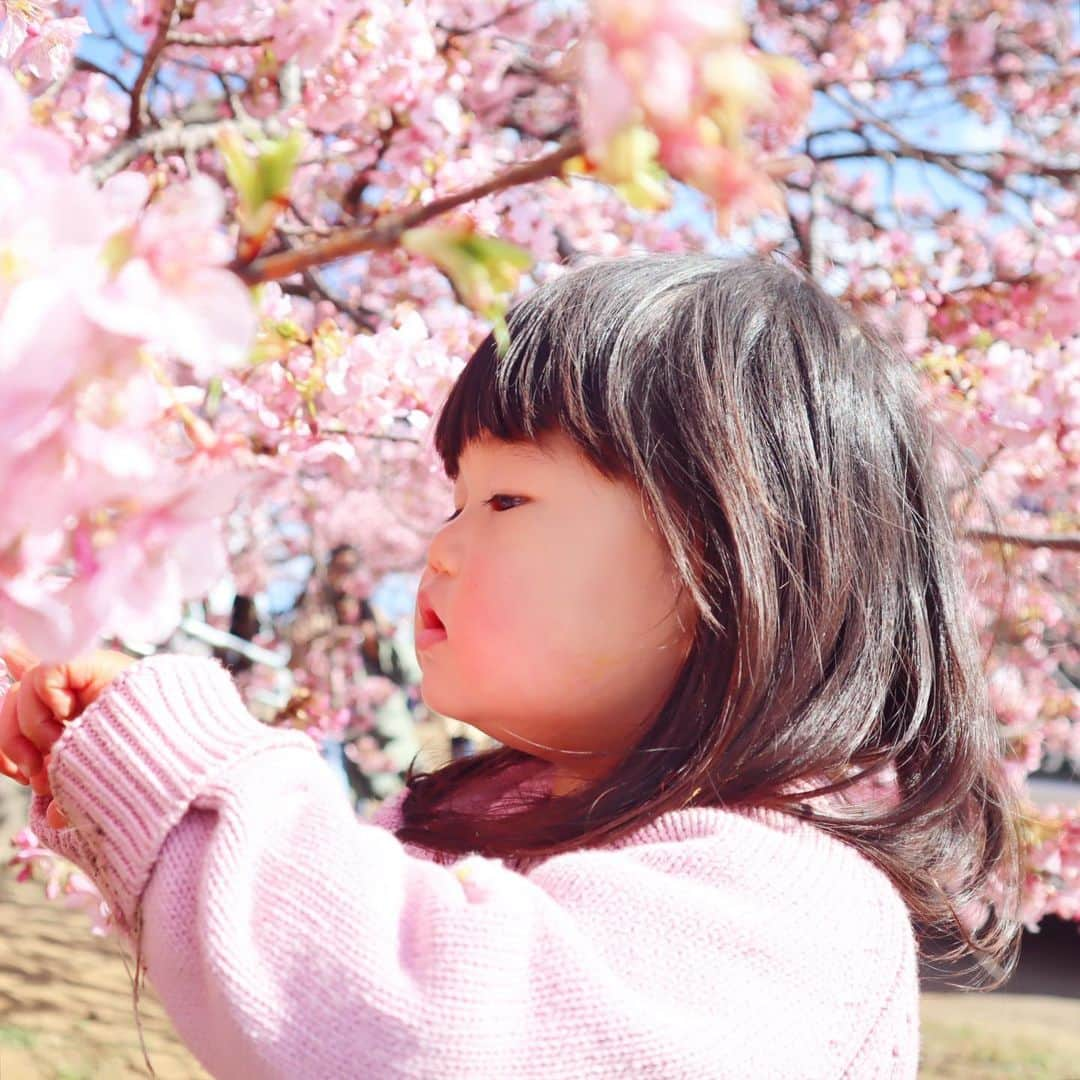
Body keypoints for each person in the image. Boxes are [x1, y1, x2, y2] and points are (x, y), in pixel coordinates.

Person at [0, 255, 1021, 1079]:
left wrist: (187, 772)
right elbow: (286, 1006)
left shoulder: (789, 907)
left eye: (505, 503)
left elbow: (415, 1031)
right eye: (457, 499)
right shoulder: (467, 836)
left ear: (732, 557)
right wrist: (126, 780)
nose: (438, 548)